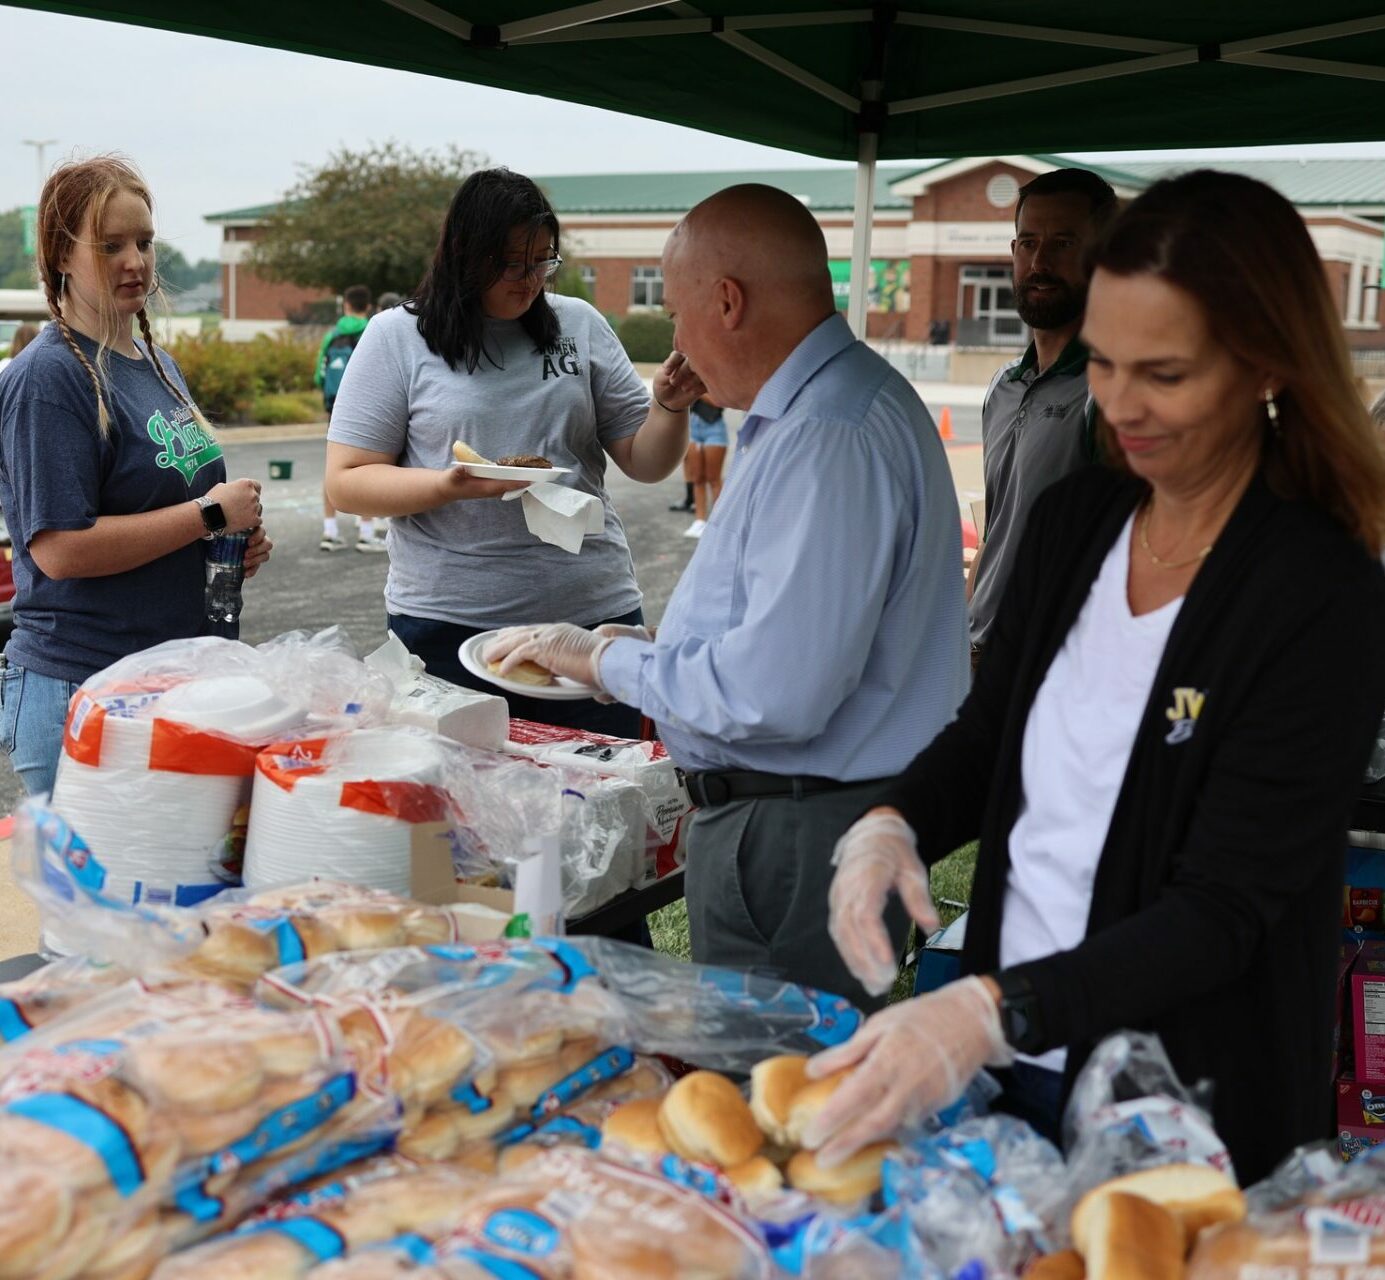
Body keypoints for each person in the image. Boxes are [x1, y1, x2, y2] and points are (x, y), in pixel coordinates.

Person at [807, 171, 1385, 1186]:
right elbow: (990, 734)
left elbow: (1222, 905)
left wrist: (988, 1010)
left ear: (1264, 363)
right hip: (1007, 1070)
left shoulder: (1316, 591)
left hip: (1184, 1107)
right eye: (1105, 362)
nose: (1118, 403)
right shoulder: (1081, 518)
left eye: (1161, 373)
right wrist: (891, 822)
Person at [486, 184, 969, 1009]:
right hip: (814, 820)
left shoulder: (828, 434)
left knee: (775, 1096)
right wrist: (646, 654)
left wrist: (603, 660)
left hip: (795, 835)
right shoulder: (834, 405)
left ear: (728, 302)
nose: (674, 340)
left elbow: (773, 695)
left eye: (675, 313)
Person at [324, 167, 698, 738]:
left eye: (543, 261)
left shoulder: (579, 325)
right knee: (462, 811)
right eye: (512, 264)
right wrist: (448, 485)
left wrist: (669, 407)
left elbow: (645, 462)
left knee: (602, 801)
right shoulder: (396, 337)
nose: (530, 281)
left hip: (591, 618)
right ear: (465, 256)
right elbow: (346, 483)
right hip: (448, 625)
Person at [0, 155, 271, 797]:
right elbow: (60, 550)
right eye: (111, 245)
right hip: (85, 689)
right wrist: (208, 514)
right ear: (61, 256)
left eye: (145, 242)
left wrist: (228, 544)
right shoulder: (49, 379)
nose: (136, 261)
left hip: (172, 679)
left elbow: (167, 512)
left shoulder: (155, 361)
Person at [967, 169, 1118, 669]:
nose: (1039, 262)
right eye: (1028, 243)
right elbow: (997, 531)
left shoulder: (1114, 390)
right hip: (980, 657)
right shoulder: (1002, 386)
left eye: (1063, 243)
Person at [317, 285, 382, 553]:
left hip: (336, 409)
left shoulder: (331, 335)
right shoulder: (374, 330)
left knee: (333, 466)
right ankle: (366, 532)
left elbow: (319, 375)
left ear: (345, 305)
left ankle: (329, 531)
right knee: (368, 469)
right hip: (368, 409)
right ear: (367, 306)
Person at [681, 399, 728, 538]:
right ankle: (699, 521)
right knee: (697, 479)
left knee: (714, 479)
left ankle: (719, 523)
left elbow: (720, 401)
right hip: (692, 425)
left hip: (714, 427)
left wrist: (697, 393)